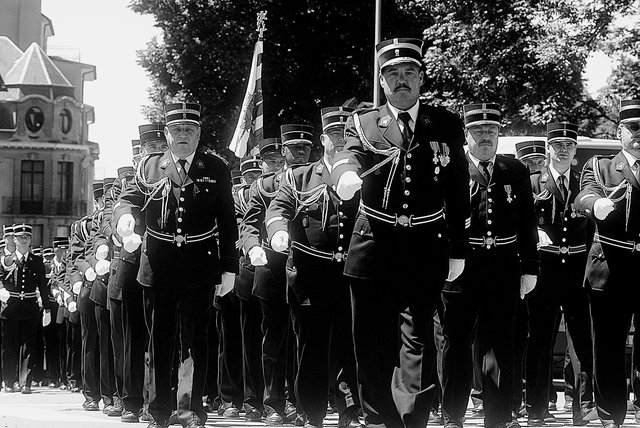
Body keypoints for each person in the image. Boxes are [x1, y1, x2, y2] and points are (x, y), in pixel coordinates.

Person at [332, 38, 470, 428]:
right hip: (373, 246)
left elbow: (458, 188)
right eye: (392, 74)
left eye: (410, 72)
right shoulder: (363, 122)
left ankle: (413, 420)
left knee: (419, 340)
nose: (401, 80)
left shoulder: (444, 123)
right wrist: (343, 173)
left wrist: (458, 248)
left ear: (422, 78)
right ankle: (378, 419)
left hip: (425, 247)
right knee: (371, 341)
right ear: (381, 80)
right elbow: (349, 154)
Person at [114, 102, 238, 428]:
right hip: (158, 265)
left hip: (200, 265)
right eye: (177, 129)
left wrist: (229, 267)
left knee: (196, 341)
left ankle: (190, 409)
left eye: (190, 129)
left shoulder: (216, 167)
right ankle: (157, 411)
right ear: (167, 133)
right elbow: (128, 199)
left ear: (199, 134)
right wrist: (125, 217)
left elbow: (227, 220)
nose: (183, 135)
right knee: (160, 340)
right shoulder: (149, 167)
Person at [439, 103, 538, 428]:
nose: (485, 137)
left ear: (499, 134)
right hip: (462, 269)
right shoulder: (452, 168)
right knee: (456, 342)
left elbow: (526, 223)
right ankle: (453, 414)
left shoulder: (516, 170)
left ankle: (498, 417)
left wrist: (530, 268)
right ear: (467, 135)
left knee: (500, 344)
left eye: (491, 131)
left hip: (503, 268)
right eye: (478, 131)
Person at [266, 106, 363, 428]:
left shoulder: (364, 175)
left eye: (347, 135)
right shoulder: (299, 177)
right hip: (309, 274)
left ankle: (350, 410)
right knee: (311, 347)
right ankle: (312, 412)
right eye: (335, 134)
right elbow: (277, 208)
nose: (341, 140)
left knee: (350, 345)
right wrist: (279, 228)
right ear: (323, 139)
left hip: (350, 275)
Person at [525, 122, 597, 426]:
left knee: (581, 342)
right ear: (547, 149)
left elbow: (593, 229)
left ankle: (582, 407)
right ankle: (536, 409)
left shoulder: (585, 184)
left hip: (577, 272)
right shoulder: (532, 183)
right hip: (545, 270)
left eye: (569, 145)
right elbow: (520, 222)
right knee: (540, 340)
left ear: (576, 152)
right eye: (557, 145)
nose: (563, 150)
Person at [240, 125, 313, 426]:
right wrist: (252, 247)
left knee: (305, 339)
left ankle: (302, 401)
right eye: (293, 148)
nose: (299, 153)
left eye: (304, 149)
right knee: (273, 338)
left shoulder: (318, 180)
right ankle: (273, 403)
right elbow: (248, 225)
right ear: (283, 151)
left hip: (309, 267)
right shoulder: (264, 185)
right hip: (272, 266)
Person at [575, 98, 640, 428]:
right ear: (620, 131)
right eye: (635, 128)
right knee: (609, 349)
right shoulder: (601, 165)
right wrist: (596, 203)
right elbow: (583, 195)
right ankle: (610, 417)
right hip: (610, 269)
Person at [235, 139, 284, 422]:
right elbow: (246, 225)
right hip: (261, 268)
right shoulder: (259, 189)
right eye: (271, 161)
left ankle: (298, 400)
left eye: (280, 161)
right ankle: (265, 400)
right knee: (263, 340)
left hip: (297, 267)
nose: (276, 166)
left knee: (298, 340)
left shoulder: (302, 180)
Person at [0, 224, 52, 394]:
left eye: (27, 237)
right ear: (14, 239)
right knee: (9, 346)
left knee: (28, 346)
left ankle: (26, 382)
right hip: (10, 307)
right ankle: (8, 381)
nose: (24, 240)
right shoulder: (5, 260)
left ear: (30, 240)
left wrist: (47, 308)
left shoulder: (36, 261)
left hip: (29, 307)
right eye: (20, 237)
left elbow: (43, 287)